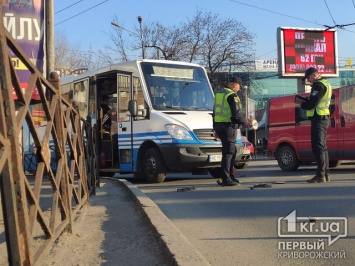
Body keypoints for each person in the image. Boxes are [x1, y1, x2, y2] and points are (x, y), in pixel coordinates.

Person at [296, 67, 332, 183]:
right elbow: (315, 100)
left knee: (318, 147)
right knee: (323, 147)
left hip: (319, 119)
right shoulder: (326, 84)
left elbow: (313, 103)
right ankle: (324, 174)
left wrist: (302, 104)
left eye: (308, 77)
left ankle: (321, 175)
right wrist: (306, 100)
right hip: (323, 118)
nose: (308, 80)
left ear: (314, 74)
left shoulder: (318, 85)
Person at [213, 76, 248, 186]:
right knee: (229, 153)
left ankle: (230, 177)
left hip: (219, 125)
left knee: (227, 152)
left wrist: (215, 128)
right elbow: (236, 114)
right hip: (229, 126)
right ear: (235, 84)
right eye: (239, 86)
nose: (239, 89)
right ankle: (227, 178)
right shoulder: (232, 95)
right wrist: (244, 121)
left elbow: (214, 112)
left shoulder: (219, 94)